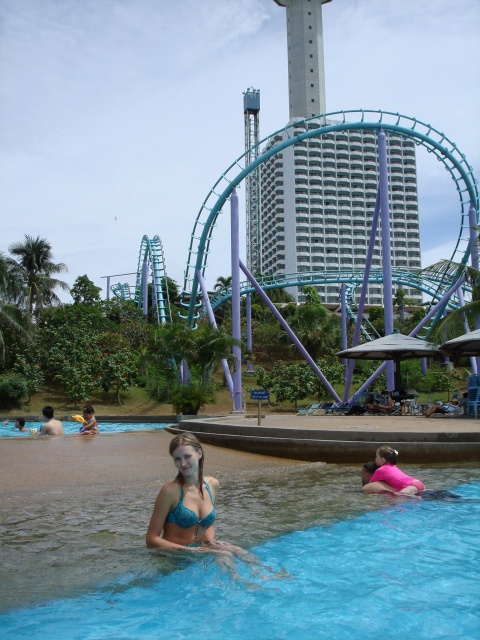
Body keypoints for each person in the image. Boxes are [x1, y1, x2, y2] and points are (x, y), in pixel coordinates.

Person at [146, 433, 248, 559]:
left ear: (199, 453)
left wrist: (212, 542)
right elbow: (151, 539)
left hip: (200, 551)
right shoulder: (170, 491)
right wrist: (189, 550)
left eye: (187, 456)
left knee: (241, 552)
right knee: (225, 556)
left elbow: (208, 525)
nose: (183, 463)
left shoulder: (212, 485)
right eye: (177, 459)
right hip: (173, 557)